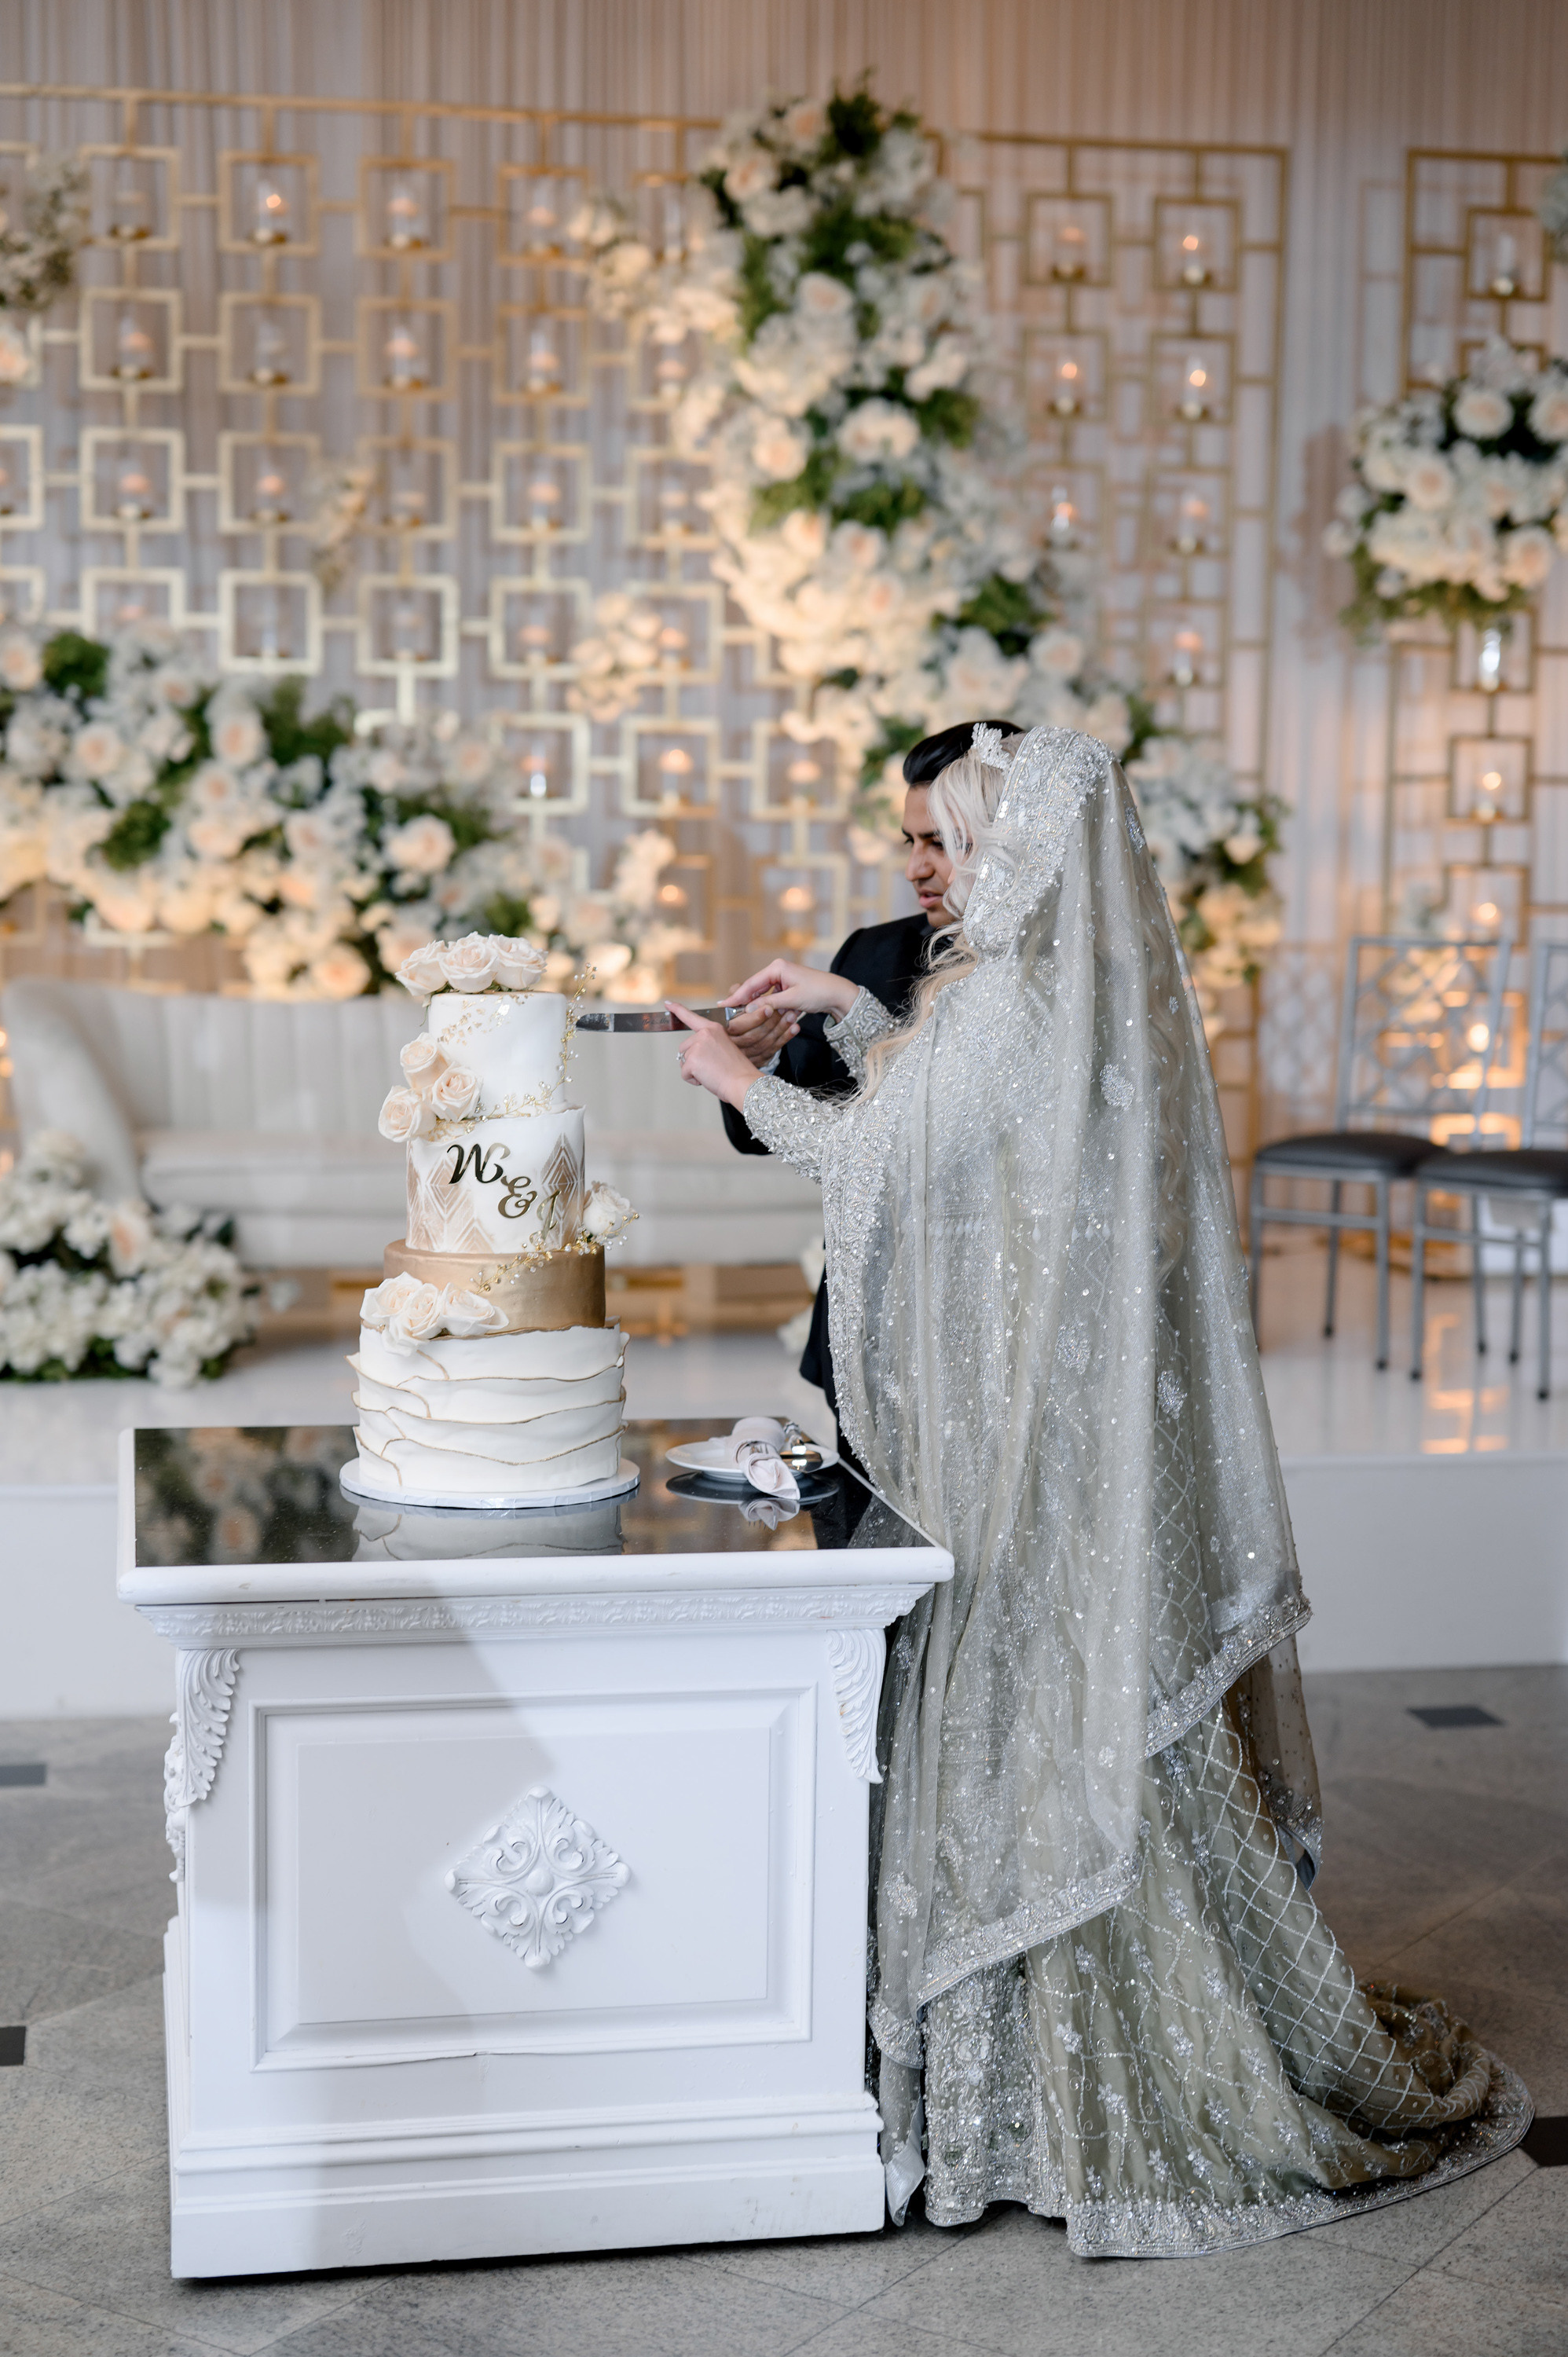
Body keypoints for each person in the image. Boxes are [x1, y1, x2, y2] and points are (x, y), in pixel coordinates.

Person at [668, 721, 1530, 2257]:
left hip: (1011, 1465)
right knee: (1066, 1718)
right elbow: (963, 1132)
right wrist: (857, 1008)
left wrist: (731, 1066)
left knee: (1023, 1724)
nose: (914, 866)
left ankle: (1056, 2095)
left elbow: (876, 1164)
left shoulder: (999, 998)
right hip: (1039, 1439)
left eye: (938, 838)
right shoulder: (1021, 993)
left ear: (1005, 845)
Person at [718, 720, 1017, 1435]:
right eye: (910, 842)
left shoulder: (1051, 986)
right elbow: (788, 1124)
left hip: (1000, 1333)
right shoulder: (873, 954)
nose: (916, 868)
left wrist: (739, 1080)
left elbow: (887, 1153)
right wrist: (758, 1063)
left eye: (939, 843)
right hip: (865, 1326)